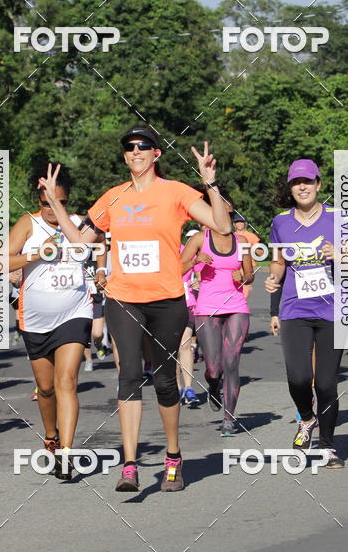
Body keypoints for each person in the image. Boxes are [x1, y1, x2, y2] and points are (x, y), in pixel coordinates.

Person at [39, 126, 232, 493]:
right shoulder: (113, 197)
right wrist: (56, 201)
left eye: (143, 146)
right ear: (125, 156)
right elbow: (81, 241)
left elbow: (222, 225)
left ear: (156, 154)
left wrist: (210, 183)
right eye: (129, 147)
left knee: (162, 380)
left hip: (166, 301)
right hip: (124, 299)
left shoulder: (175, 192)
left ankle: (173, 455)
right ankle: (129, 465)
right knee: (128, 375)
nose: (136, 151)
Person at [8, 163, 93, 480]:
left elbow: (89, 249)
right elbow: (1, 261)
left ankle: (67, 455)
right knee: (46, 389)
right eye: (46, 204)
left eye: (59, 203)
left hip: (75, 311)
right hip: (35, 319)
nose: (52, 211)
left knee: (66, 382)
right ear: (38, 200)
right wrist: (34, 255)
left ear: (67, 201)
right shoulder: (27, 224)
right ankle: (51, 435)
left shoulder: (78, 224)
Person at [265, 159, 345, 468]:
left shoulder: (340, 219)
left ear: (318, 185)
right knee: (299, 377)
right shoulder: (281, 221)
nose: (302, 186)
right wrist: (273, 277)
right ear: (290, 187)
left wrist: (340, 254)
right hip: (294, 307)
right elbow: (278, 261)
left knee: (326, 383)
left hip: (333, 310)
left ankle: (327, 446)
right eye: (297, 182)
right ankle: (307, 417)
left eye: (308, 181)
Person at [181, 189, 253, 435]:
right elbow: (178, 270)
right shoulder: (199, 239)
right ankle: (213, 386)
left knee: (231, 361)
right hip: (207, 308)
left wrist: (242, 276)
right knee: (214, 367)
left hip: (236, 306)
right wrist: (194, 261)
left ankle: (229, 419)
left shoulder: (241, 242)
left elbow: (250, 273)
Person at [177, 229, 200, 407]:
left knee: (185, 345)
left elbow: (201, 271)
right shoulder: (160, 250)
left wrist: (200, 281)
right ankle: (177, 388)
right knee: (171, 351)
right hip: (164, 305)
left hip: (187, 303)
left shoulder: (187, 249)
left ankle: (189, 387)